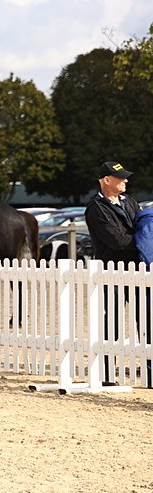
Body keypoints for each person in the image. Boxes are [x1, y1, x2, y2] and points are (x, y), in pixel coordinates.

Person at [85, 161, 149, 382]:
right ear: (106, 180)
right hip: (111, 270)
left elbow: (142, 227)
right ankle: (107, 371)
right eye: (120, 178)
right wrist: (145, 241)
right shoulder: (96, 208)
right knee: (111, 322)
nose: (126, 181)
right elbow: (117, 241)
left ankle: (150, 371)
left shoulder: (129, 201)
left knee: (147, 320)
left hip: (137, 269)